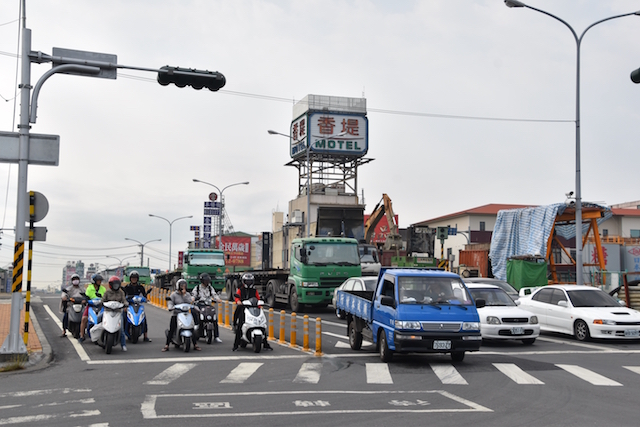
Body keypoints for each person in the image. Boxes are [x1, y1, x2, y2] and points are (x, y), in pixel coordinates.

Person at [232, 273, 272, 351]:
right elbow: (237, 297)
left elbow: (257, 298)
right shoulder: (240, 289)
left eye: (250, 281)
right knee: (240, 325)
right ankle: (235, 345)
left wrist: (260, 304)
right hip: (244, 308)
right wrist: (238, 301)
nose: (248, 283)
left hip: (253, 308)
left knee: (262, 324)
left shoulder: (254, 290)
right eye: (247, 281)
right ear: (243, 281)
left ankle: (266, 344)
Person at [162, 279, 201, 352]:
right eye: (182, 285)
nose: (183, 287)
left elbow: (190, 302)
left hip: (186, 313)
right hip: (176, 314)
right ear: (178, 286)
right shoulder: (174, 295)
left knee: (192, 328)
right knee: (172, 328)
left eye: (184, 285)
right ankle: (167, 345)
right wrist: (170, 307)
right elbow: (170, 302)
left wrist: (184, 295)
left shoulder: (187, 294)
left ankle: (195, 344)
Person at [191, 273, 222, 343]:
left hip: (208, 305)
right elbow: (193, 295)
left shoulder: (210, 288)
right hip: (199, 304)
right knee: (194, 311)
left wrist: (218, 299)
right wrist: (193, 299)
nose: (207, 282)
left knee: (214, 319)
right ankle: (196, 326)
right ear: (202, 281)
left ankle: (216, 336)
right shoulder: (197, 288)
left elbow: (214, 294)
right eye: (205, 281)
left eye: (208, 281)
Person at [123, 270, 151, 342]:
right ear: (130, 279)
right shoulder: (127, 287)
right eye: (132, 278)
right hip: (129, 305)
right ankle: (121, 335)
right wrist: (125, 306)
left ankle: (145, 336)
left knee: (144, 318)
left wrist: (146, 299)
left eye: (135, 278)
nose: (134, 279)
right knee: (123, 317)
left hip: (139, 305)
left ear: (137, 279)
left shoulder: (141, 287)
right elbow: (123, 297)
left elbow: (144, 295)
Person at [78, 274, 107, 343]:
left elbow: (106, 296)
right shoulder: (89, 288)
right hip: (91, 306)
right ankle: (82, 336)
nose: (100, 282)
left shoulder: (103, 288)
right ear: (94, 281)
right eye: (98, 280)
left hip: (101, 306)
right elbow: (86, 296)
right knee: (84, 319)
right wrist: (85, 300)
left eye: (100, 280)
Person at [103, 276, 129, 351]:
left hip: (117, 312)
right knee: (98, 319)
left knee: (121, 329)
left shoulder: (121, 292)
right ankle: (96, 337)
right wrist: (101, 303)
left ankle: (123, 345)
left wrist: (126, 304)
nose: (116, 286)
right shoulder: (107, 292)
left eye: (117, 284)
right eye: (114, 284)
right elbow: (103, 300)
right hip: (107, 311)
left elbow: (124, 300)